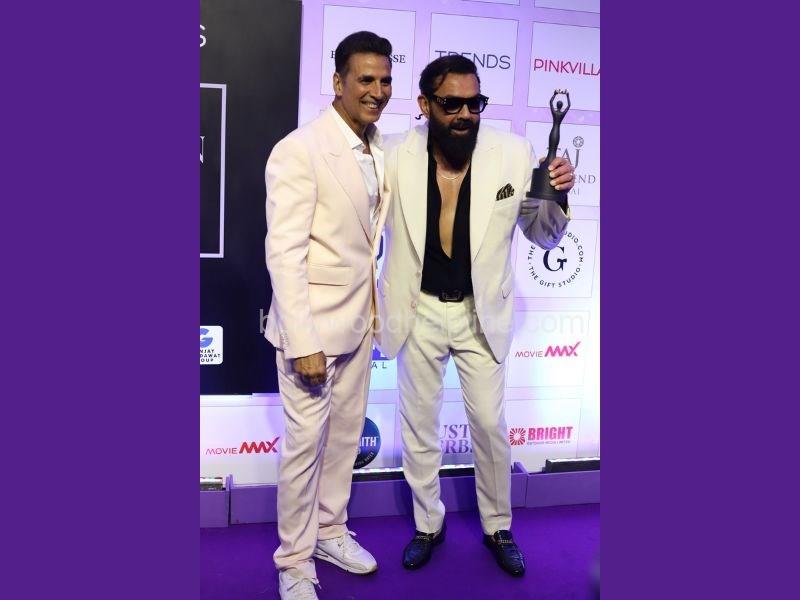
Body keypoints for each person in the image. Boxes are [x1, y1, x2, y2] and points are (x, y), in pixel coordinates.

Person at [376, 55, 574, 577]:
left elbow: (543, 236)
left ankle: (497, 526)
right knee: (419, 425)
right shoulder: (392, 153)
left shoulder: (512, 153)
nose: (465, 114)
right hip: (416, 309)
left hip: (479, 312)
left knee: (489, 425)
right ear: (425, 105)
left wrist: (557, 196)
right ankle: (428, 523)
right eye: (452, 104)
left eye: (474, 103)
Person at [264, 31, 393, 600]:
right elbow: (284, 253)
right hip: (311, 331)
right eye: (365, 80)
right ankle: (293, 562)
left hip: (360, 322)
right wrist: (302, 340)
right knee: (303, 450)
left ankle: (330, 531)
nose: (377, 91)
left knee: (344, 441)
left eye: (385, 81)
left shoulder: (379, 147)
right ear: (338, 82)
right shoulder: (300, 149)